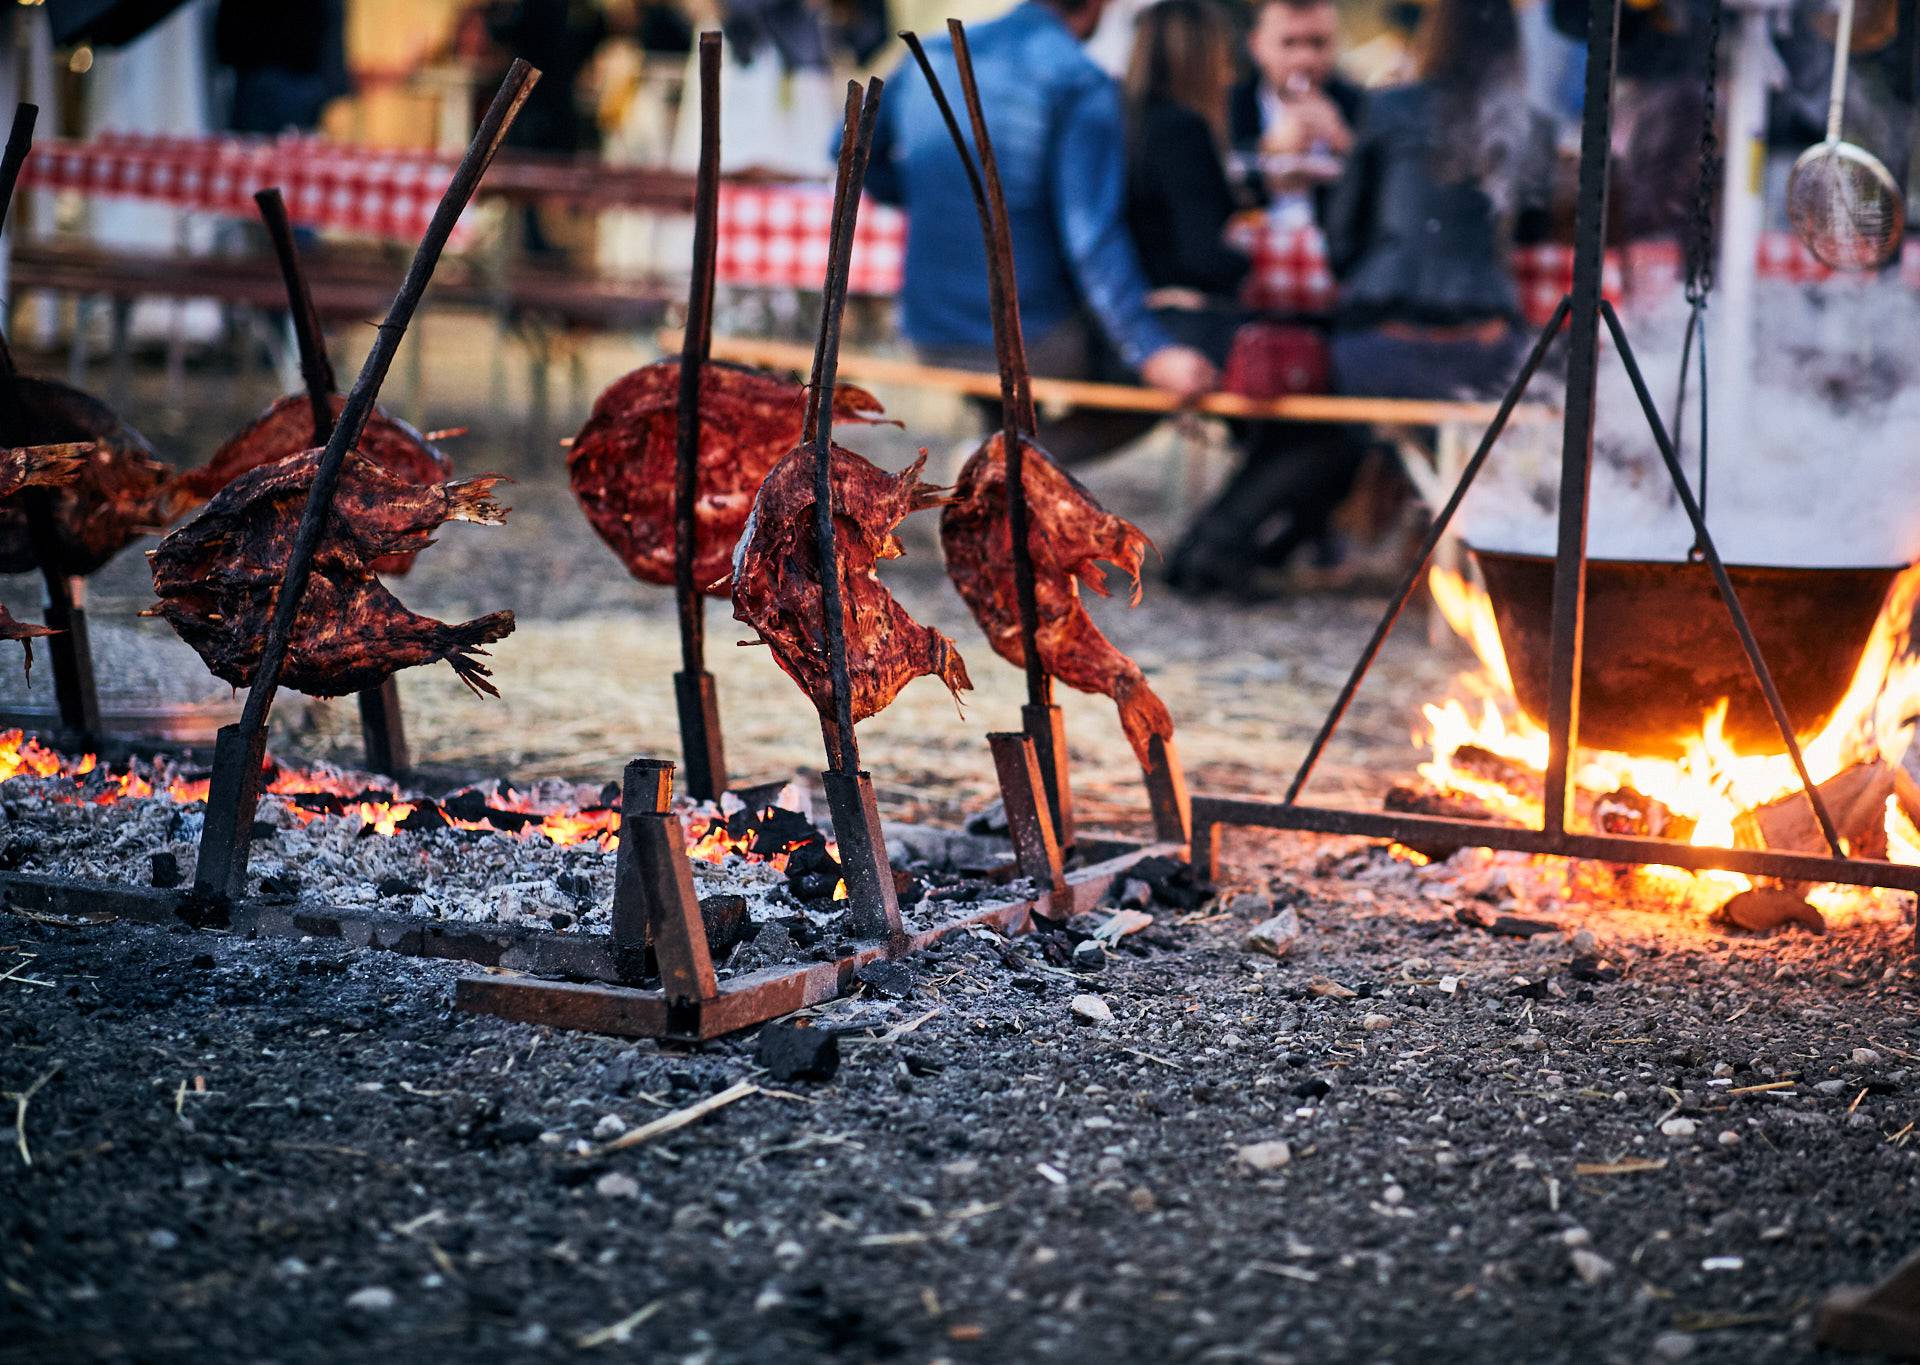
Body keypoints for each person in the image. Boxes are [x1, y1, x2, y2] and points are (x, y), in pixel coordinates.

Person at [864, 0, 1218, 465]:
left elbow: (850, 147)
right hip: (1030, 339)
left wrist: (934, 200)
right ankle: (998, 465)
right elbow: (1090, 237)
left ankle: (1000, 492)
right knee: (1166, 376)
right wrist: (1150, 351)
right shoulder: (1078, 79)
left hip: (929, 328)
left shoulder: (932, 54)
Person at [1324, 0, 1554, 403]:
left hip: (1380, 348)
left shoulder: (1387, 107)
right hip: (1487, 351)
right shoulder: (1532, 125)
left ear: (1434, 33)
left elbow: (1341, 241)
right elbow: (1534, 229)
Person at [1228, 0, 1365, 213]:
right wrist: (1265, 149)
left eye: (1318, 43)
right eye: (1289, 43)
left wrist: (1343, 141)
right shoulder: (1228, 105)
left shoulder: (1362, 105)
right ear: (1256, 46)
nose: (1305, 59)